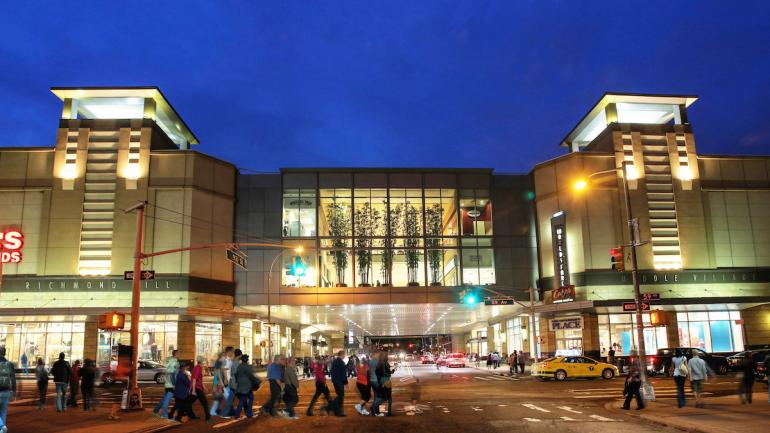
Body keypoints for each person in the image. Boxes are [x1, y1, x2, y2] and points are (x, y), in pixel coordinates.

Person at [153, 349, 179, 419]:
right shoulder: (174, 361)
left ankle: (155, 411)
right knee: (167, 401)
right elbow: (172, 374)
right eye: (178, 353)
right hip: (171, 384)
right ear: (176, 354)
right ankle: (164, 414)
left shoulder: (170, 360)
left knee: (164, 399)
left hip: (167, 383)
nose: (179, 355)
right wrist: (174, 384)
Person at [234, 354, 260, 419]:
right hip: (246, 387)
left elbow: (236, 375)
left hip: (240, 386)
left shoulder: (239, 366)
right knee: (248, 399)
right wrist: (258, 381)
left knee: (245, 399)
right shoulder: (248, 366)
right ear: (247, 360)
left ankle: (243, 414)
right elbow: (251, 376)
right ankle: (247, 414)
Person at [0, 347, 17, 433]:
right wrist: (14, 392)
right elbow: (13, 379)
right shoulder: (9, 364)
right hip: (6, 391)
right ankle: (2, 429)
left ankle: (2, 425)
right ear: (5, 353)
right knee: (3, 412)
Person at [219, 347, 239, 419]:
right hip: (226, 381)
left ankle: (230, 412)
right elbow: (224, 370)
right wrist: (225, 379)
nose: (233, 353)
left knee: (230, 397)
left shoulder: (229, 360)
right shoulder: (226, 360)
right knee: (229, 398)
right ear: (229, 352)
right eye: (232, 351)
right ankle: (225, 413)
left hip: (229, 381)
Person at [374, 352, 396, 416]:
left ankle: (375, 407)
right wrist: (392, 371)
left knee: (383, 397)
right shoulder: (384, 363)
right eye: (386, 356)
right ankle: (389, 412)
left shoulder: (379, 363)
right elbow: (386, 373)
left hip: (381, 381)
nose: (387, 357)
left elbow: (378, 372)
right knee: (389, 397)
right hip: (386, 381)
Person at [327, 351, 348, 417]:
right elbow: (343, 374)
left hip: (335, 381)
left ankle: (336, 411)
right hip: (339, 382)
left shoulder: (334, 361)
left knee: (339, 396)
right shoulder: (341, 362)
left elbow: (332, 371)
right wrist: (346, 383)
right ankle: (332, 408)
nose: (344, 356)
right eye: (344, 355)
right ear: (341, 355)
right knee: (340, 397)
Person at [208, 352, 227, 420]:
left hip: (217, 380)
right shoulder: (219, 362)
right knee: (218, 395)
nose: (225, 358)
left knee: (219, 396)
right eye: (224, 357)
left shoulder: (218, 362)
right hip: (217, 380)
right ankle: (213, 411)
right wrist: (221, 382)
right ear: (222, 356)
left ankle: (217, 410)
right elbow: (217, 373)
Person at [191, 356, 210, 421]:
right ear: (201, 362)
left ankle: (190, 416)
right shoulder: (198, 368)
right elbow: (194, 379)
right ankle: (208, 417)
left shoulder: (198, 367)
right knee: (205, 403)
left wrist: (204, 387)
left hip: (197, 388)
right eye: (204, 361)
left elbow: (199, 380)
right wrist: (193, 390)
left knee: (188, 403)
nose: (204, 363)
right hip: (197, 388)